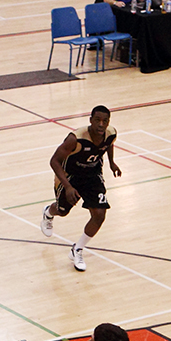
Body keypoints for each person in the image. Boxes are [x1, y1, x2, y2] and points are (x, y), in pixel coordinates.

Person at [39, 105, 121, 272]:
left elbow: (109, 144)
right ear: (90, 120)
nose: (101, 124)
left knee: (99, 214)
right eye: (97, 120)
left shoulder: (111, 133)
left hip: (92, 175)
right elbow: (54, 161)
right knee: (63, 211)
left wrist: (111, 163)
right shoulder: (75, 139)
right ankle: (48, 212)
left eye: (105, 121)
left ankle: (77, 249)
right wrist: (68, 187)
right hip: (70, 176)